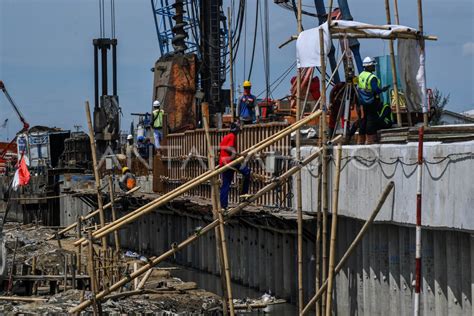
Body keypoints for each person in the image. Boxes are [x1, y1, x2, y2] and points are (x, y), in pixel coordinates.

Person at [356, 56, 390, 144]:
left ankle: (361, 140)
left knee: (363, 120)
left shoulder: (360, 75)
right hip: (371, 101)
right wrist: (383, 89)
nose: (374, 67)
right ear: (369, 66)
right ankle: (370, 140)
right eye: (373, 65)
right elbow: (376, 90)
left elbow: (358, 87)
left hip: (362, 102)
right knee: (371, 120)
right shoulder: (372, 77)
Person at [219, 122, 251, 209]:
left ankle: (223, 205)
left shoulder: (226, 136)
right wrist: (236, 154)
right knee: (247, 172)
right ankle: (244, 195)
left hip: (224, 162)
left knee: (225, 183)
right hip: (229, 161)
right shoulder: (232, 136)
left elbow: (221, 147)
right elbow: (229, 148)